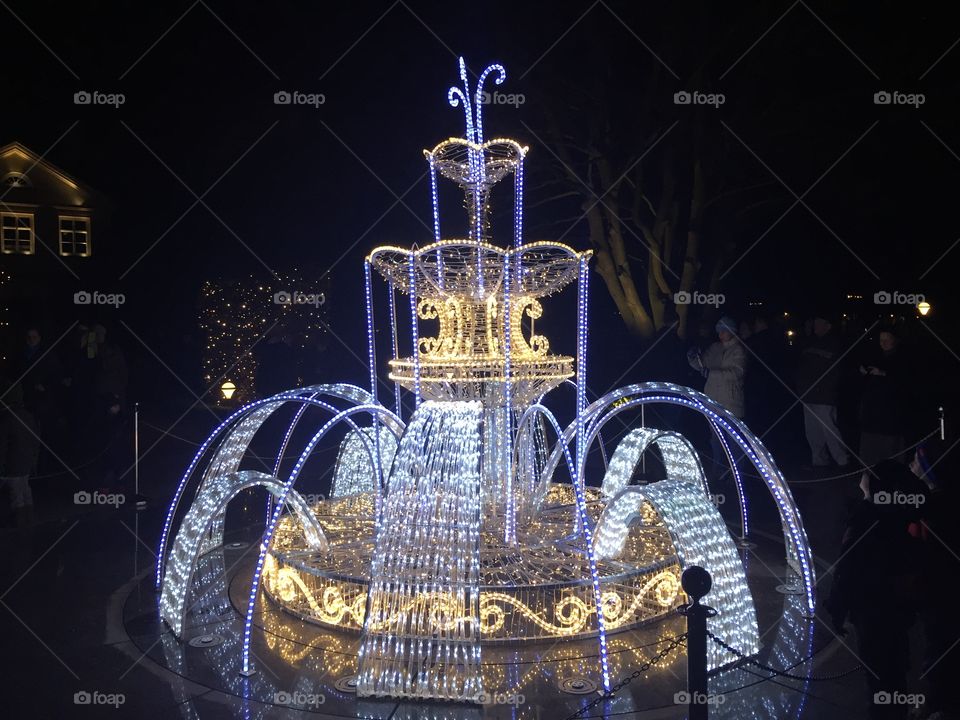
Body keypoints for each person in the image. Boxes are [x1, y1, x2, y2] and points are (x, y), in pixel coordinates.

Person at [827, 460, 925, 720]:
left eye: (867, 475)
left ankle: (885, 712)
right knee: (894, 669)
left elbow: (846, 568)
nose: (862, 477)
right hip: (894, 611)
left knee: (880, 673)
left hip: (872, 611)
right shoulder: (897, 518)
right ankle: (895, 710)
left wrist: (837, 608)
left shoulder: (863, 520)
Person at [688, 316, 746, 483]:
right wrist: (693, 358)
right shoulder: (715, 348)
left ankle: (738, 475)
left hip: (731, 402)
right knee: (716, 441)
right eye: (719, 331)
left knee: (734, 443)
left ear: (732, 331)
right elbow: (702, 364)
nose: (721, 334)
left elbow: (736, 373)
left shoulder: (739, 350)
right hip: (713, 401)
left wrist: (712, 373)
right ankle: (717, 472)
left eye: (724, 331)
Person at [795, 313, 851, 468]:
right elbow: (801, 367)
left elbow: (835, 372)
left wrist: (827, 388)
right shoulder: (810, 342)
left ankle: (842, 459)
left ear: (828, 326)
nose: (816, 326)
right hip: (808, 394)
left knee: (829, 429)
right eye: (815, 323)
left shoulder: (834, 343)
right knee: (812, 431)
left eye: (820, 323)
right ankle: (819, 460)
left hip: (824, 395)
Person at [858, 329, 907, 465]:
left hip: (891, 413)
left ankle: (891, 471)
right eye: (881, 340)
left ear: (894, 340)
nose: (883, 343)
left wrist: (884, 374)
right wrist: (864, 372)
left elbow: (905, 381)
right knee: (870, 445)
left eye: (887, 339)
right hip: (872, 412)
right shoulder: (876, 356)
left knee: (890, 446)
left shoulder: (902, 357)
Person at [0, 378, 39, 526]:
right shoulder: (28, 416)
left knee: (17, 496)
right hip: (26, 463)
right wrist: (34, 462)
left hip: (12, 465)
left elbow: (2, 446)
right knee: (25, 492)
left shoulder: (6, 419)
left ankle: (21, 525)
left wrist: (1, 467)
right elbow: (35, 441)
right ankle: (29, 522)